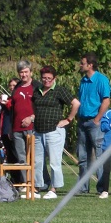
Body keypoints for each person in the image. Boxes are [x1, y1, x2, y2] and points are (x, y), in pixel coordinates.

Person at [33, 65, 79, 200]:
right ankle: (38, 186)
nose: (46, 80)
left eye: (49, 78)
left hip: (54, 131)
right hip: (38, 131)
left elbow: (75, 103)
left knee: (54, 161)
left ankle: (54, 188)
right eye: (44, 78)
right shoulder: (37, 91)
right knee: (37, 161)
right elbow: (34, 107)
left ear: (54, 78)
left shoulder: (59, 90)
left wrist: (68, 120)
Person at [76, 53, 111, 194]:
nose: (80, 65)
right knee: (83, 156)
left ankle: (101, 187)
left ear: (90, 65)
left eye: (82, 63)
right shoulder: (83, 81)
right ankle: (83, 187)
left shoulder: (101, 80)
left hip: (94, 122)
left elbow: (106, 101)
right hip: (82, 121)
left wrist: (97, 119)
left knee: (98, 155)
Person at [2, 61, 41, 188]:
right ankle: (26, 184)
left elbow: (41, 107)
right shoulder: (17, 87)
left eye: (26, 72)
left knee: (33, 158)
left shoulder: (36, 87)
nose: (23, 74)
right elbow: (13, 106)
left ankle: (36, 184)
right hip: (17, 128)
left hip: (32, 127)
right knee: (21, 158)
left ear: (31, 72)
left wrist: (31, 118)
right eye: (21, 72)